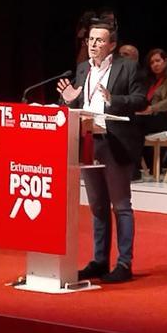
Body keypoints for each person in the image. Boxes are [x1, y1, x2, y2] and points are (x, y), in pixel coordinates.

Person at [56, 20, 145, 283]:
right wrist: (69, 99)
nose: (93, 45)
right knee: (97, 206)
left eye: (99, 40)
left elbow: (140, 100)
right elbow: (75, 102)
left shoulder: (127, 67)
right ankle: (99, 260)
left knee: (121, 206)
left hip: (115, 141)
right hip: (88, 140)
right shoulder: (82, 69)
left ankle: (124, 264)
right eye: (90, 40)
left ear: (112, 45)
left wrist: (112, 100)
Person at [136, 49, 167, 136]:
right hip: (155, 116)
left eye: (158, 61)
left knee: (138, 123)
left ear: (165, 61)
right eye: (152, 63)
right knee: (131, 120)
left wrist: (151, 109)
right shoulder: (152, 80)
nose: (155, 64)